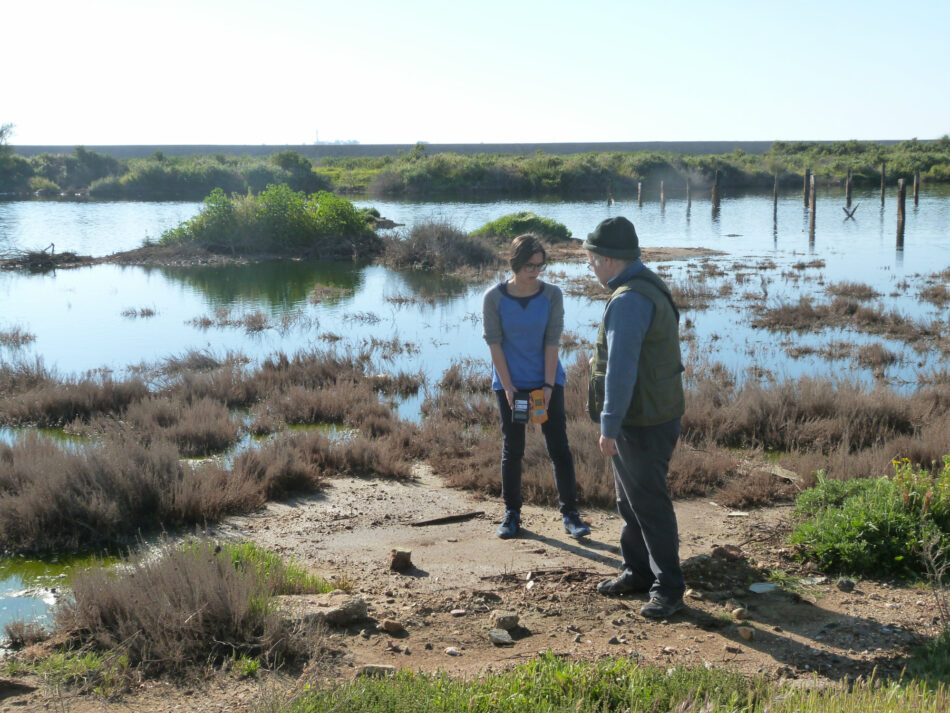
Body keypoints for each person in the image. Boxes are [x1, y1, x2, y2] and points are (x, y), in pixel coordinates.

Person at [583, 216, 687, 619]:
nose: (591, 268)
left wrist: (609, 426)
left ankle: (669, 589)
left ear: (608, 260)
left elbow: (621, 370)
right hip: (652, 413)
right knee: (631, 502)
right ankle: (638, 572)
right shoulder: (645, 284)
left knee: (649, 505)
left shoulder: (627, 301)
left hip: (640, 422)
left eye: (591, 260)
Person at [482, 234, 590, 540]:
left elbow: (552, 340)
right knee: (512, 449)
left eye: (540, 265)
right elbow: (494, 344)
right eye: (529, 265)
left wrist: (547, 385)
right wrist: (508, 388)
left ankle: (570, 514)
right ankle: (512, 514)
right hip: (510, 385)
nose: (535, 271)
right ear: (515, 263)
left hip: (547, 381)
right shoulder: (494, 297)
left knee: (559, 447)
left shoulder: (552, 295)